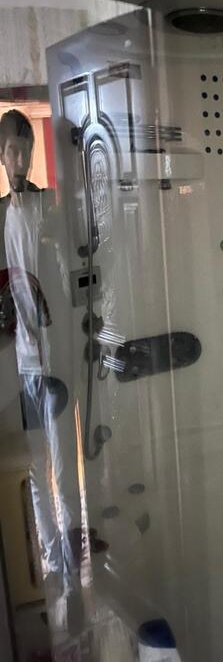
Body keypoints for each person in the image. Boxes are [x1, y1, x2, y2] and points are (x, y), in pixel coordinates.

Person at [0, 109, 83, 632]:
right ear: (1, 154)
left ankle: (73, 576)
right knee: (34, 473)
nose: (19, 158)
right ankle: (53, 560)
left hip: (56, 363)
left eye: (25, 149)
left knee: (65, 472)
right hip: (20, 368)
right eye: (12, 149)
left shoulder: (48, 208)